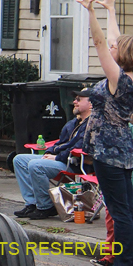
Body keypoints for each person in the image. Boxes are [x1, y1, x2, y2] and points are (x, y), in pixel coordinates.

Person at [77, 0, 133, 266]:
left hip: (108, 151)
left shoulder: (119, 80)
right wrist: (110, 10)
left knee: (119, 210)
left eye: (116, 49)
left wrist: (91, 12)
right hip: (121, 149)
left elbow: (101, 44)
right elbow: (114, 39)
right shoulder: (128, 75)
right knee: (125, 208)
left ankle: (124, 260)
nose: (112, 47)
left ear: (121, 56)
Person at [13, 88, 92, 219]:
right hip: (61, 160)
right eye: (75, 99)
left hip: (75, 164)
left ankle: (46, 206)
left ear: (91, 104)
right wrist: (50, 152)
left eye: (79, 99)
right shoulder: (73, 123)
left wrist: (56, 157)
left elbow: (79, 146)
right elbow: (60, 142)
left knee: (35, 165)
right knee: (19, 160)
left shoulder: (93, 125)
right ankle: (32, 203)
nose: (74, 102)